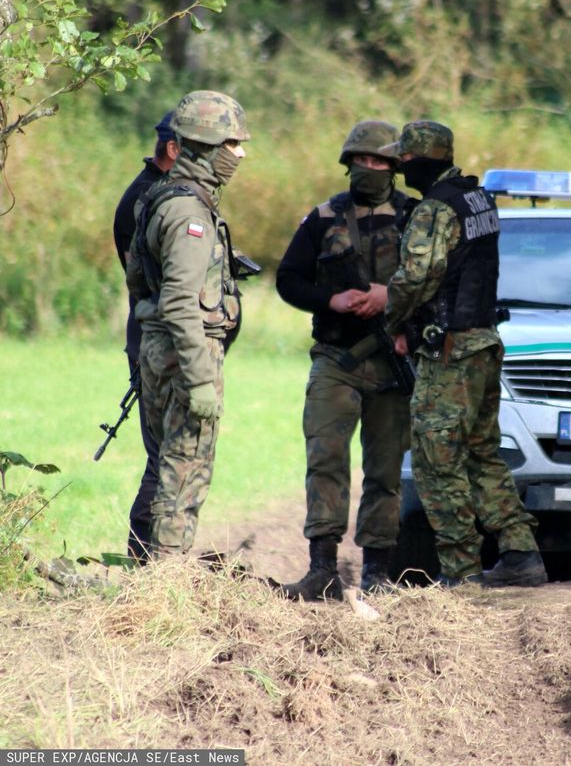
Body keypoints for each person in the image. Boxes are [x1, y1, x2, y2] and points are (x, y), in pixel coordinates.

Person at [382, 120, 547, 588]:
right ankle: (520, 554)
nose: (399, 168)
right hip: (484, 343)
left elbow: (417, 276)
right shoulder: (478, 199)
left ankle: (460, 572)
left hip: (451, 353)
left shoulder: (435, 208)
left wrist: (393, 321)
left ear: (417, 160)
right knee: (482, 453)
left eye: (404, 160)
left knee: (437, 460)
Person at [275, 120, 418, 599]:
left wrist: (390, 301)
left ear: (395, 167)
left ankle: (379, 571)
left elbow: (440, 287)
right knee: (325, 458)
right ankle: (322, 568)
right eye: (362, 160)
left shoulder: (417, 217)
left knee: (385, 469)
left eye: (379, 161)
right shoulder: (322, 218)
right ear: (348, 164)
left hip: (395, 363)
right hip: (336, 359)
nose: (370, 169)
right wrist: (329, 301)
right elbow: (289, 280)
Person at [124, 90, 250, 558]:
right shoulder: (190, 214)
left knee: (165, 464)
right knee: (185, 469)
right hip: (185, 351)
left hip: (160, 348)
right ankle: (165, 581)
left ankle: (150, 570)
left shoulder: (158, 197)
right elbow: (179, 302)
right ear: (207, 146)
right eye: (233, 145)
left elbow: (139, 280)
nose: (240, 155)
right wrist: (200, 380)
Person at [113, 110, 179, 564]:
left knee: (169, 452)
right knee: (165, 454)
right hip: (157, 341)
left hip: (159, 337)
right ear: (173, 150)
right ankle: (145, 561)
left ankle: (153, 561)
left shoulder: (157, 194)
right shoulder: (149, 199)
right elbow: (155, 282)